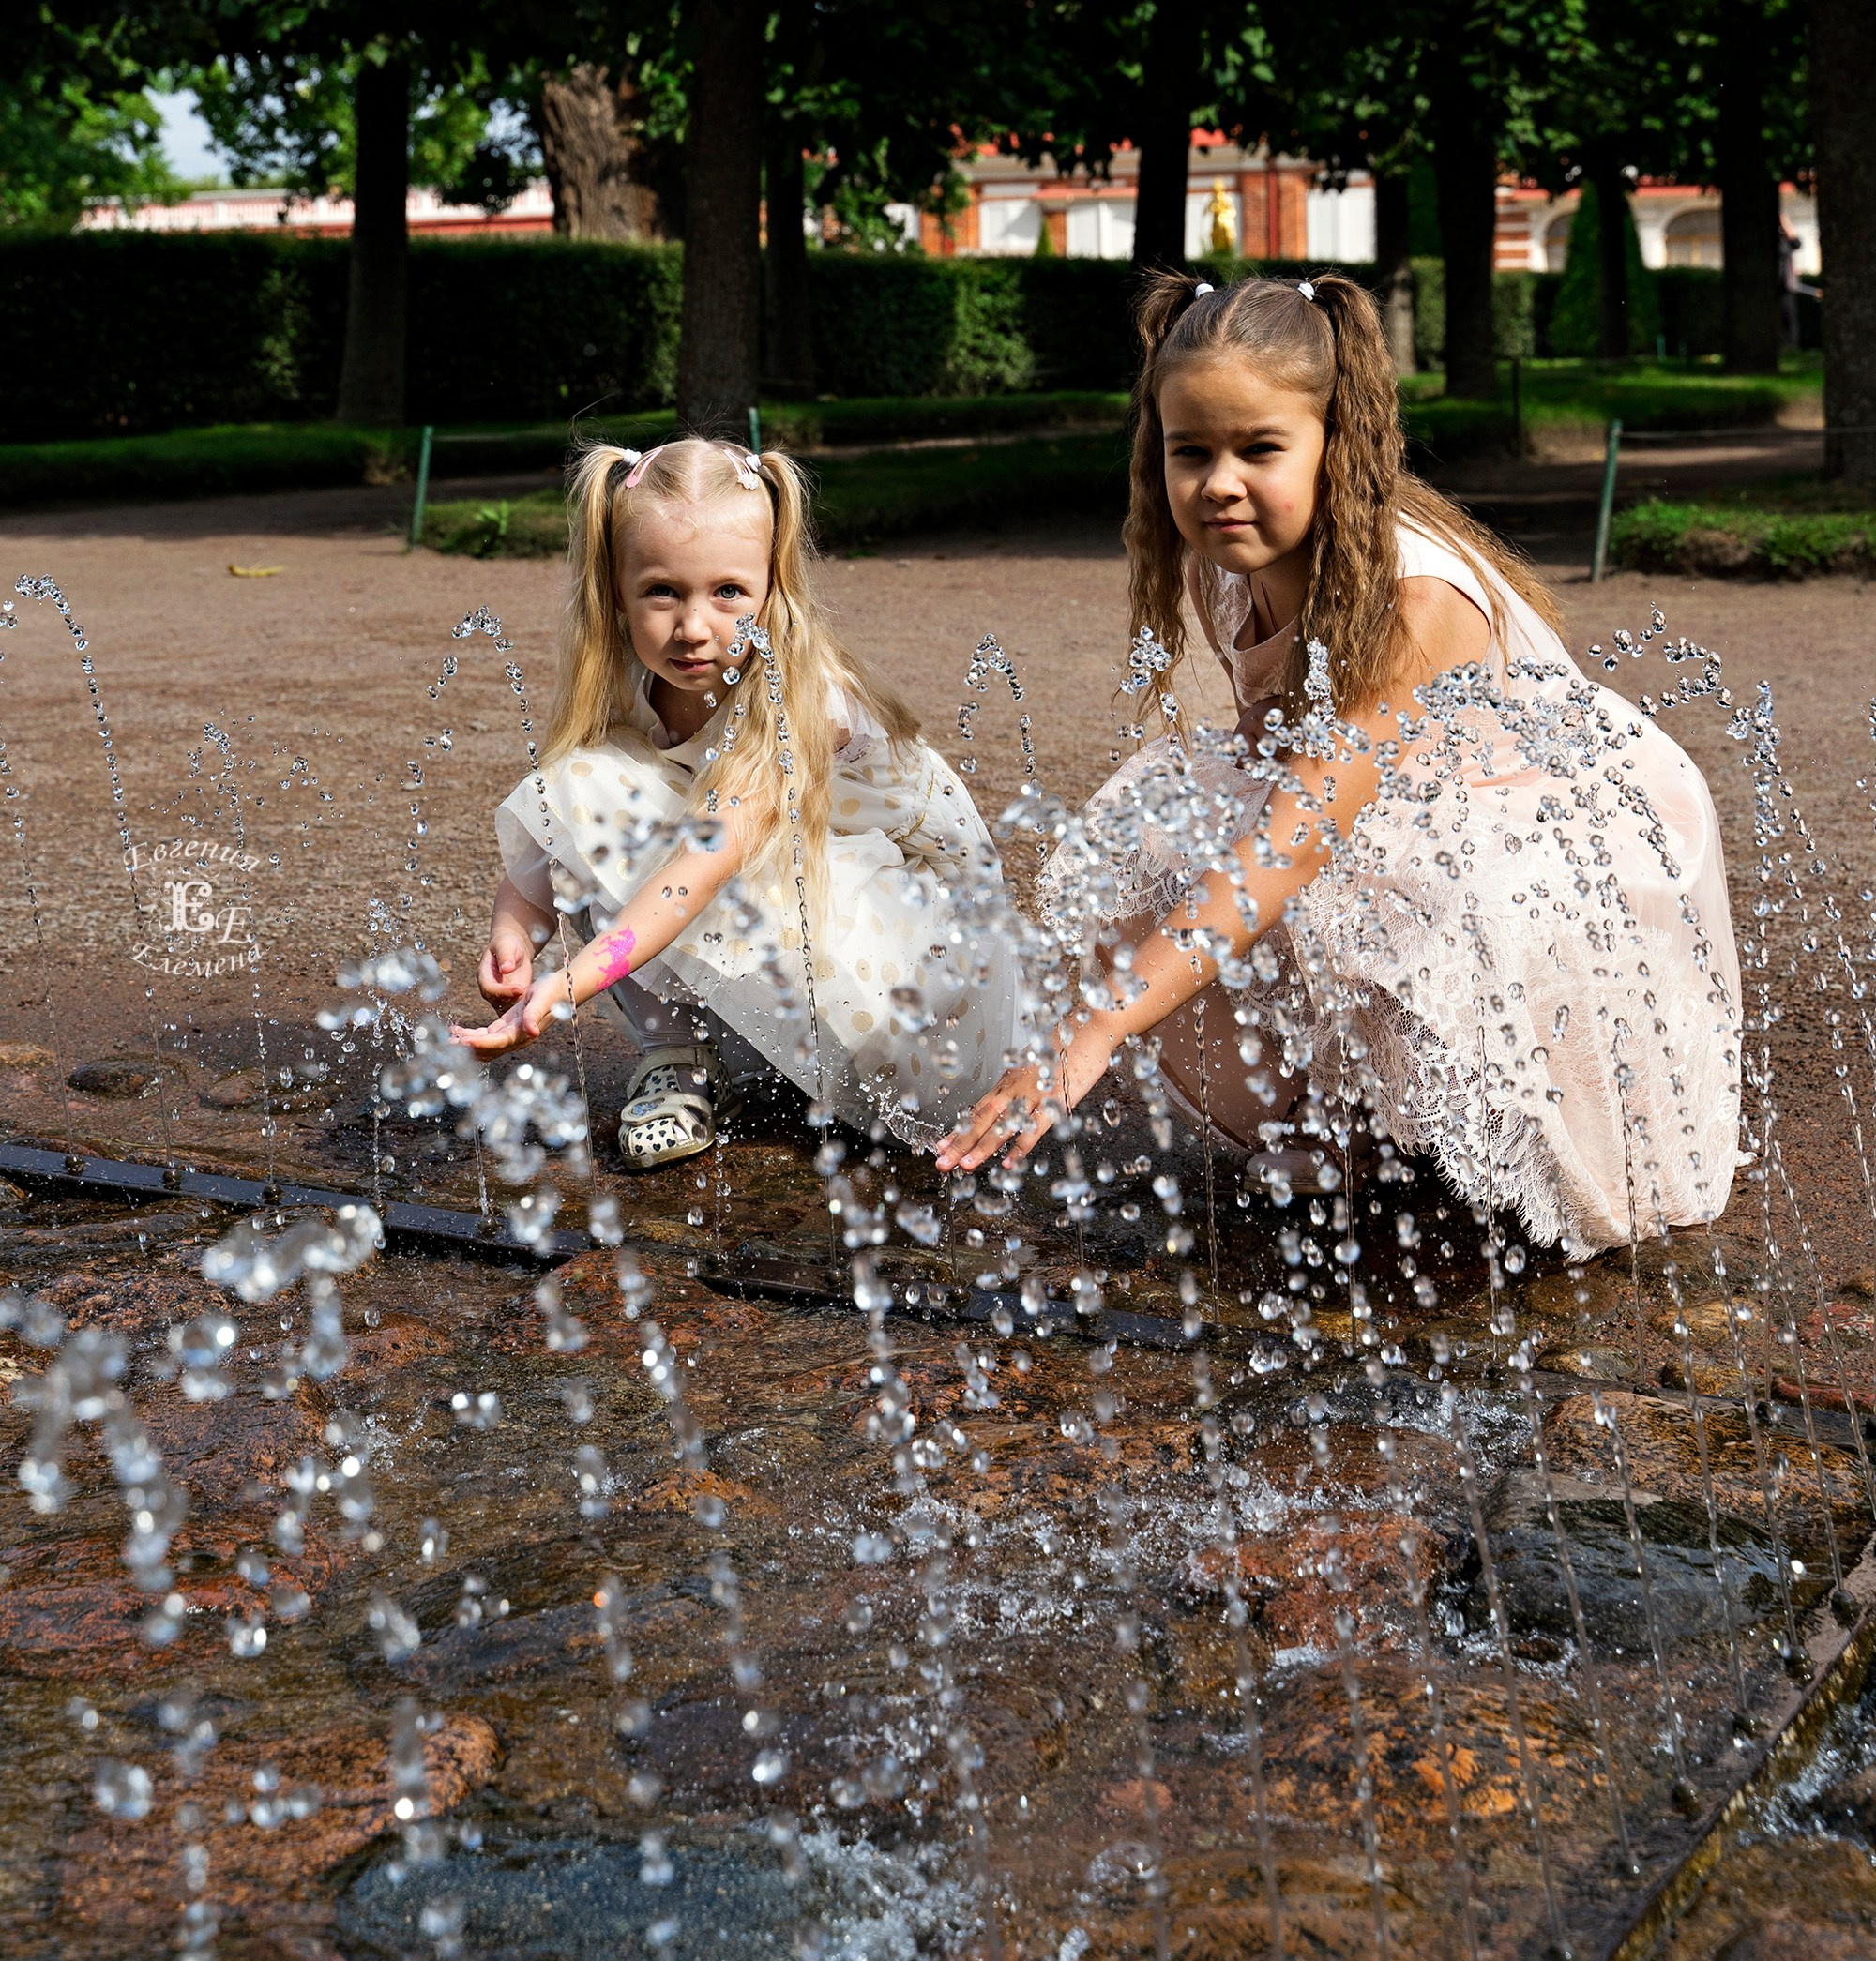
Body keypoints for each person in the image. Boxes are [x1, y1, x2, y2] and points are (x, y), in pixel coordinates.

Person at [937, 271, 1742, 1257]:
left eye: (1258, 449)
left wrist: (1095, 1029)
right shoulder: (1218, 568)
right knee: (1160, 852)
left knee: (1398, 900)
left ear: (1336, 443)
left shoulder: (1416, 598)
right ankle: (1340, 1130)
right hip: (1378, 803)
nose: (1217, 483)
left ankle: (1496, 1165)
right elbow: (1268, 767)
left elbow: (1296, 836)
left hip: (1535, 823)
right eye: (1188, 451)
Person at [455, 437, 1021, 1166]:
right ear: (615, 589)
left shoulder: (803, 698)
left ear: (772, 586)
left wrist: (571, 981)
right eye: (662, 591)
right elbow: (563, 817)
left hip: (911, 956)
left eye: (728, 593)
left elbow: (704, 865)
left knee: (690, 862)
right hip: (791, 897)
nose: (694, 627)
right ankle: (678, 1059)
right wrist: (517, 928)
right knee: (588, 779)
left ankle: (788, 1065)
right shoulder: (629, 681)